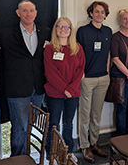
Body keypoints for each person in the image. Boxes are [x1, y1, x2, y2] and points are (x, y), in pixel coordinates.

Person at [0, 0, 51, 156]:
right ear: (18, 13)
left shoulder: (46, 32)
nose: (28, 14)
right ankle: (18, 159)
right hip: (17, 88)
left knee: (31, 126)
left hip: (39, 88)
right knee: (20, 127)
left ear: (36, 13)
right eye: (24, 11)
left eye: (31, 10)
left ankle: (27, 156)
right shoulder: (5, 33)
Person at [44, 17, 85, 156]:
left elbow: (81, 71)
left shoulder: (77, 48)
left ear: (70, 30)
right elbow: (50, 73)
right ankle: (51, 152)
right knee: (53, 125)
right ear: (55, 29)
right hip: (55, 94)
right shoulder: (49, 48)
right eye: (60, 27)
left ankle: (68, 152)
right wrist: (65, 89)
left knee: (68, 124)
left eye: (66, 27)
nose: (63, 30)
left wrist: (71, 89)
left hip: (73, 94)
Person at [76, 1, 111, 163]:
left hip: (103, 78)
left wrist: (108, 72)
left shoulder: (108, 31)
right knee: (85, 114)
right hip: (87, 79)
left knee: (96, 113)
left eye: (102, 12)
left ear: (105, 15)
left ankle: (94, 142)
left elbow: (109, 53)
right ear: (91, 13)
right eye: (96, 11)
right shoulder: (83, 31)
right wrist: (81, 74)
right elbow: (77, 53)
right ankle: (84, 146)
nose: (99, 14)